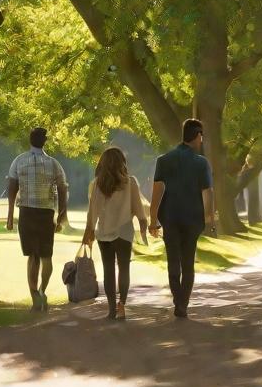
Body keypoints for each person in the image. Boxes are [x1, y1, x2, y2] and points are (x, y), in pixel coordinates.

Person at [149, 119, 215, 318]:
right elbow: (208, 193)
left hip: (170, 218)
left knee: (173, 262)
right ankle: (182, 303)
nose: (201, 141)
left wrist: (153, 220)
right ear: (197, 136)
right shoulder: (201, 163)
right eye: (201, 137)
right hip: (193, 220)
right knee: (188, 263)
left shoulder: (164, 160)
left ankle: (178, 299)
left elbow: (157, 193)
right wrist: (209, 219)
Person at [6, 127, 69, 312]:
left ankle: (34, 296)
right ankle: (42, 290)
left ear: (29, 140)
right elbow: (63, 188)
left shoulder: (18, 161)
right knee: (46, 256)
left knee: (32, 256)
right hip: (46, 213)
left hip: (26, 212)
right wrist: (62, 214)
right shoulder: (54, 164)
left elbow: (12, 189)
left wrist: (10, 216)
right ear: (45, 141)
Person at [83, 147, 149, 321]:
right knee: (124, 269)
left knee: (108, 270)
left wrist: (88, 231)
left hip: (104, 231)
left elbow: (93, 211)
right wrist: (143, 224)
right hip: (124, 231)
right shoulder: (130, 182)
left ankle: (111, 309)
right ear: (122, 163)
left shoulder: (98, 183)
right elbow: (138, 208)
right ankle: (122, 305)